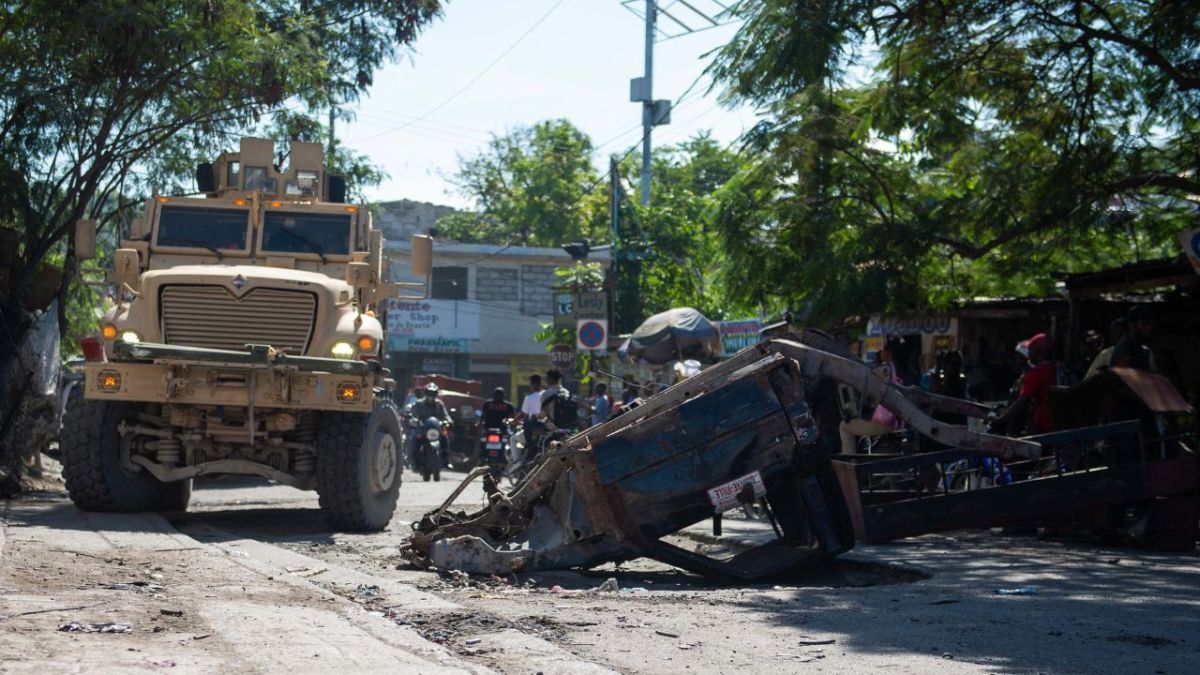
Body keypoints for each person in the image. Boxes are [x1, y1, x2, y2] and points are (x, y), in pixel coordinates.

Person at [839, 339, 902, 454]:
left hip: (886, 424)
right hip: (901, 422)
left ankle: (851, 462)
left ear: (888, 353)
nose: (880, 353)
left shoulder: (885, 369)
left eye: (883, 350)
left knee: (844, 427)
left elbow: (871, 390)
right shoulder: (904, 369)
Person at [992, 333, 1056, 435]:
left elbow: (1022, 401)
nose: (1028, 354)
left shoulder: (1037, 372)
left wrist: (1000, 419)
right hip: (1054, 421)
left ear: (1038, 352)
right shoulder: (1053, 368)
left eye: (1030, 351)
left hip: (1040, 422)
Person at [408, 382, 452, 455]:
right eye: (429, 393)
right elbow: (413, 414)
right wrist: (414, 420)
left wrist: (449, 421)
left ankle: (446, 460)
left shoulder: (439, 404)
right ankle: (414, 458)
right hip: (422, 427)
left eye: (433, 393)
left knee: (445, 437)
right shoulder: (419, 403)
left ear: (436, 394)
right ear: (425, 393)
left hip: (436, 428)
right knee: (414, 438)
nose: (431, 396)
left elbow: (446, 415)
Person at [1110, 306, 1156, 371]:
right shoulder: (1126, 348)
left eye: (1150, 323)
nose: (1150, 328)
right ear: (1132, 325)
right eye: (1144, 323)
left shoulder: (1137, 346)